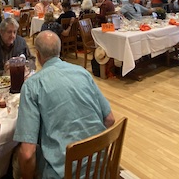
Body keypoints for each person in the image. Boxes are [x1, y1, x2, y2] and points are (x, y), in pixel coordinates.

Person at [14, 30, 115, 178]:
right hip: (100, 167)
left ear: (38, 55)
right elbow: (110, 120)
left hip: (64, 174)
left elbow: (28, 154)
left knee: (18, 161)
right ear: (59, 51)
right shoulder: (82, 73)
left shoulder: (31, 86)